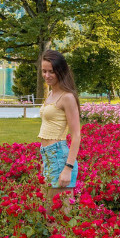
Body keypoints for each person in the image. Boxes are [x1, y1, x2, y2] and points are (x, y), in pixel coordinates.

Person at [38, 49, 81, 205]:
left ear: (60, 71)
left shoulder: (67, 97)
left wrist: (68, 168)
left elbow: (76, 135)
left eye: (51, 71)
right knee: (47, 214)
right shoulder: (50, 94)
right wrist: (44, 159)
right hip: (48, 157)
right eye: (44, 71)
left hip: (60, 159)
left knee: (60, 219)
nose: (47, 75)